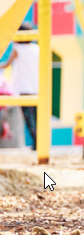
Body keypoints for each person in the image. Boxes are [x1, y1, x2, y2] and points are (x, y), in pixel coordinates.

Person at [0, 22, 40, 150]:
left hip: (24, 88)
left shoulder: (18, 48)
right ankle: (40, 142)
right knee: (37, 117)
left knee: (29, 118)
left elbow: (7, 64)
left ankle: (36, 142)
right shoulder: (36, 48)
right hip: (37, 87)